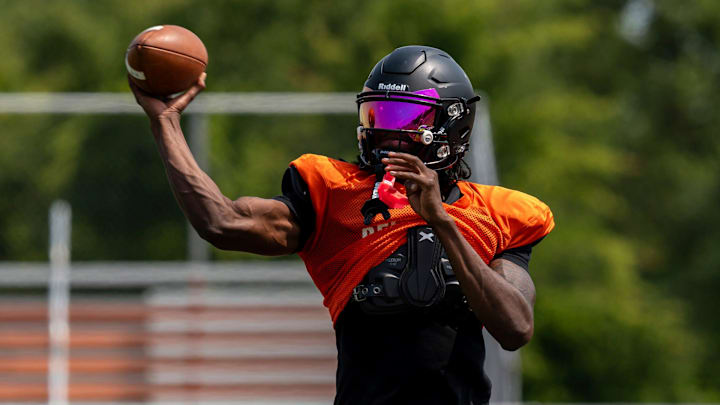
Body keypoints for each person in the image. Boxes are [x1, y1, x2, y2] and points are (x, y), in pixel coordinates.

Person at [129, 45, 554, 405]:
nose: (386, 133)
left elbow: (515, 328)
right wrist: (165, 123)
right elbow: (221, 221)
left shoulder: (499, 214)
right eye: (377, 116)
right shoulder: (335, 193)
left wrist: (440, 221)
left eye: (405, 120)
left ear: (453, 124)